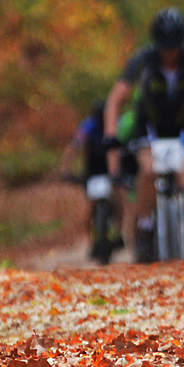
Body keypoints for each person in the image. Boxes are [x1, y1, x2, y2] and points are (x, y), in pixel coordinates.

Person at [104, 8, 184, 261]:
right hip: (150, 127)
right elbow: (115, 99)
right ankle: (143, 228)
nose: (169, 54)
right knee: (148, 170)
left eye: (174, 48)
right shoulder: (142, 60)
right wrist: (111, 135)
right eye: (164, 48)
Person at [62, 97, 132, 259]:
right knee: (90, 205)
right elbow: (74, 148)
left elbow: (126, 146)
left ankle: (118, 232)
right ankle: (90, 240)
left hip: (112, 170)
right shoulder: (88, 126)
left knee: (119, 198)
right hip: (92, 170)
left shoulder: (119, 124)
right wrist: (66, 170)